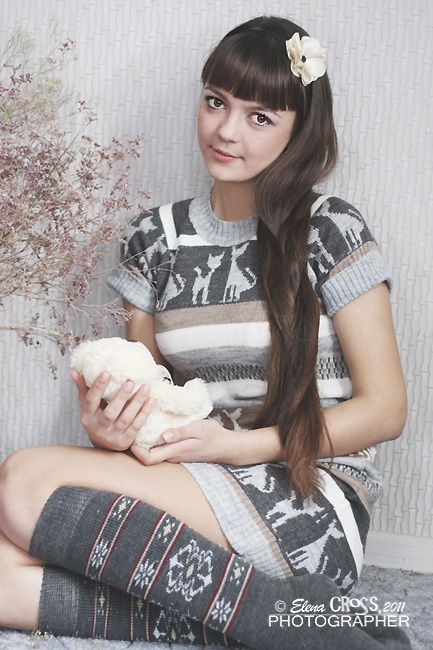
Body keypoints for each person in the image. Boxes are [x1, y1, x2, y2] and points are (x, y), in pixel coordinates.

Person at [0, 15, 410, 649]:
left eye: (259, 117)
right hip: (196, 479)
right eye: (217, 101)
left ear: (299, 130)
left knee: (25, 480)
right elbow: (153, 400)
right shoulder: (153, 240)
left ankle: (289, 613)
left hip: (306, 497)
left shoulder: (329, 230)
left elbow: (386, 409)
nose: (225, 130)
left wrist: (242, 448)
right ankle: (301, 624)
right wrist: (110, 429)